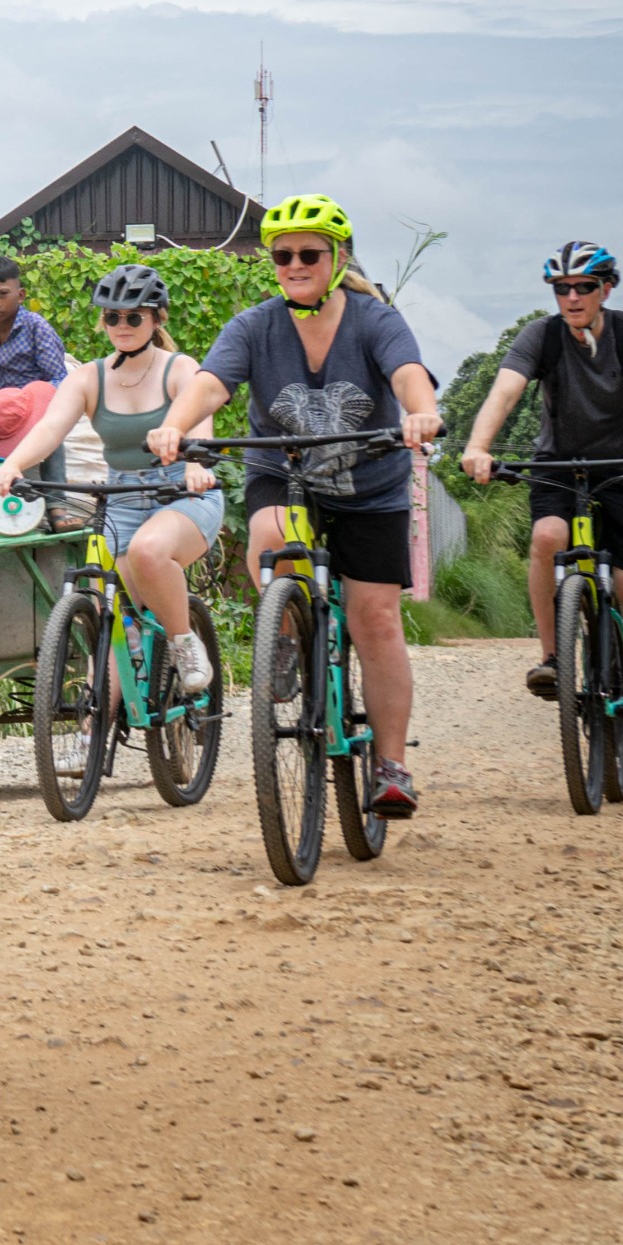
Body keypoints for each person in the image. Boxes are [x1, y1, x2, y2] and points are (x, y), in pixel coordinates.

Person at [150, 195, 443, 817]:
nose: (294, 263)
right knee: (271, 533)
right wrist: (176, 426)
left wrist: (421, 412)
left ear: (337, 257)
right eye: (282, 254)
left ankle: (391, 766)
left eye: (309, 253)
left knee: (376, 620)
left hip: (372, 486)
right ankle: (283, 637)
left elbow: (407, 373)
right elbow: (211, 384)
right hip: (283, 474)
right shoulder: (254, 326)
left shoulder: (374, 320)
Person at [459, 241, 623, 736]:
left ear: (605, 288)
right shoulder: (542, 337)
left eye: (584, 287)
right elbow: (505, 389)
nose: (572, 297)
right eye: (561, 288)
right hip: (559, 465)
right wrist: (477, 447)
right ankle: (552, 656)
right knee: (547, 539)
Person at [0, 263, 223, 696]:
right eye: (112, 317)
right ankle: (91, 733)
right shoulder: (89, 377)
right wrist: (12, 465)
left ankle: (185, 642)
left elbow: (200, 415)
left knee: (150, 553)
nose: (122, 326)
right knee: (108, 618)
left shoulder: (179, 368)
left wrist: (195, 463)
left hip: (181, 493)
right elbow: (49, 428)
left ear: (156, 318)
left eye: (134, 317)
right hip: (123, 498)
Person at [0, 257, 67, 406]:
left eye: (2, 294)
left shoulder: (36, 328)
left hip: (36, 409)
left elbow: (59, 379)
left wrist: (28, 400)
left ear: (20, 295)